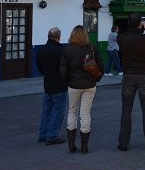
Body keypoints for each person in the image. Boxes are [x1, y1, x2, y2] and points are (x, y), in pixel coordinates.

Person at [117, 13, 145, 151]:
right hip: (144, 75)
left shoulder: (121, 38)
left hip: (128, 75)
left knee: (126, 110)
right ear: (140, 24)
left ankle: (123, 143)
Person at [60, 25, 104, 154]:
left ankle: (71, 145)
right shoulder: (91, 48)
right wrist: (97, 79)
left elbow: (63, 69)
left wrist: (67, 81)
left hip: (73, 85)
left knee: (72, 112)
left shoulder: (68, 49)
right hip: (89, 85)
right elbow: (101, 65)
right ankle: (85, 146)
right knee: (85, 113)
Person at [36, 27, 67, 145]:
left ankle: (43, 134)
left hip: (47, 84)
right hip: (59, 85)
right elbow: (65, 68)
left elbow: (40, 68)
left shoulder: (41, 50)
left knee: (46, 111)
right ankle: (52, 135)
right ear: (59, 37)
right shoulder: (60, 50)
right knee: (57, 111)